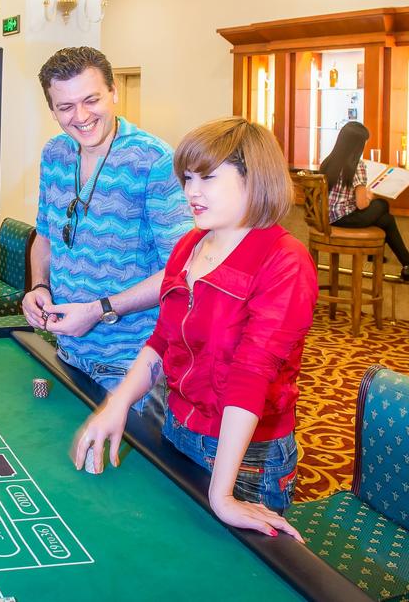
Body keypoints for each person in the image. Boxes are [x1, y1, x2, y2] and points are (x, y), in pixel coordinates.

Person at [73, 117, 317, 540]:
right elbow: (162, 340)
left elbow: (251, 376)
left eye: (208, 178)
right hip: (178, 428)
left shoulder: (284, 260)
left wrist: (223, 495)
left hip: (246, 458)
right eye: (187, 178)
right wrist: (117, 404)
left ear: (254, 179)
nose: (191, 192)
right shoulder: (190, 244)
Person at [22, 46, 192, 419]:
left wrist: (99, 311)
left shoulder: (155, 161)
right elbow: (46, 236)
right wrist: (39, 286)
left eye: (91, 100)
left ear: (114, 92)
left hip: (132, 364)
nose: (81, 117)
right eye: (66, 107)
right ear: (52, 110)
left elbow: (181, 271)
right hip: (67, 350)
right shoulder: (54, 153)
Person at [320, 121, 409, 281]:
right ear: (358, 145)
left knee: (386, 220)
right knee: (382, 204)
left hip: (328, 218)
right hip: (345, 219)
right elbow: (362, 205)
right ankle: (403, 264)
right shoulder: (356, 166)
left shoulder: (328, 162)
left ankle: (408, 266)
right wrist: (369, 195)